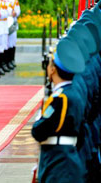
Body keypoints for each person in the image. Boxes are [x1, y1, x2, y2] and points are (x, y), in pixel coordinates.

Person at [31, 37, 87, 182]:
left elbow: (39, 130)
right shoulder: (74, 91)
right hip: (67, 158)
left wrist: (38, 120)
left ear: (53, 69)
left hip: (59, 162)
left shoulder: (60, 98)